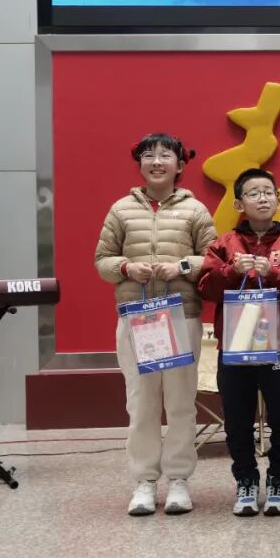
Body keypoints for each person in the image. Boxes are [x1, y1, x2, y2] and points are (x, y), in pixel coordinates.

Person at [94, 132, 216, 515]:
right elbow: (102, 261)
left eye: (165, 155)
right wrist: (126, 268)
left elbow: (214, 260)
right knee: (141, 404)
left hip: (182, 317)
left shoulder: (195, 211)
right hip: (137, 319)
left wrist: (182, 266)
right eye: (149, 155)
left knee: (180, 402)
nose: (157, 161)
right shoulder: (121, 210)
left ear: (180, 165)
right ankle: (144, 482)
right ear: (140, 164)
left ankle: (178, 479)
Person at [198, 168, 280, 516]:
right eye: (253, 193)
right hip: (235, 347)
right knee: (237, 418)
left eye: (268, 192)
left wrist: (275, 273)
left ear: (278, 200)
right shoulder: (224, 244)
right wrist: (232, 271)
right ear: (239, 203)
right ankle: (246, 481)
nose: (262, 198)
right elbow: (205, 287)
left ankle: (279, 480)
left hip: (279, 348)